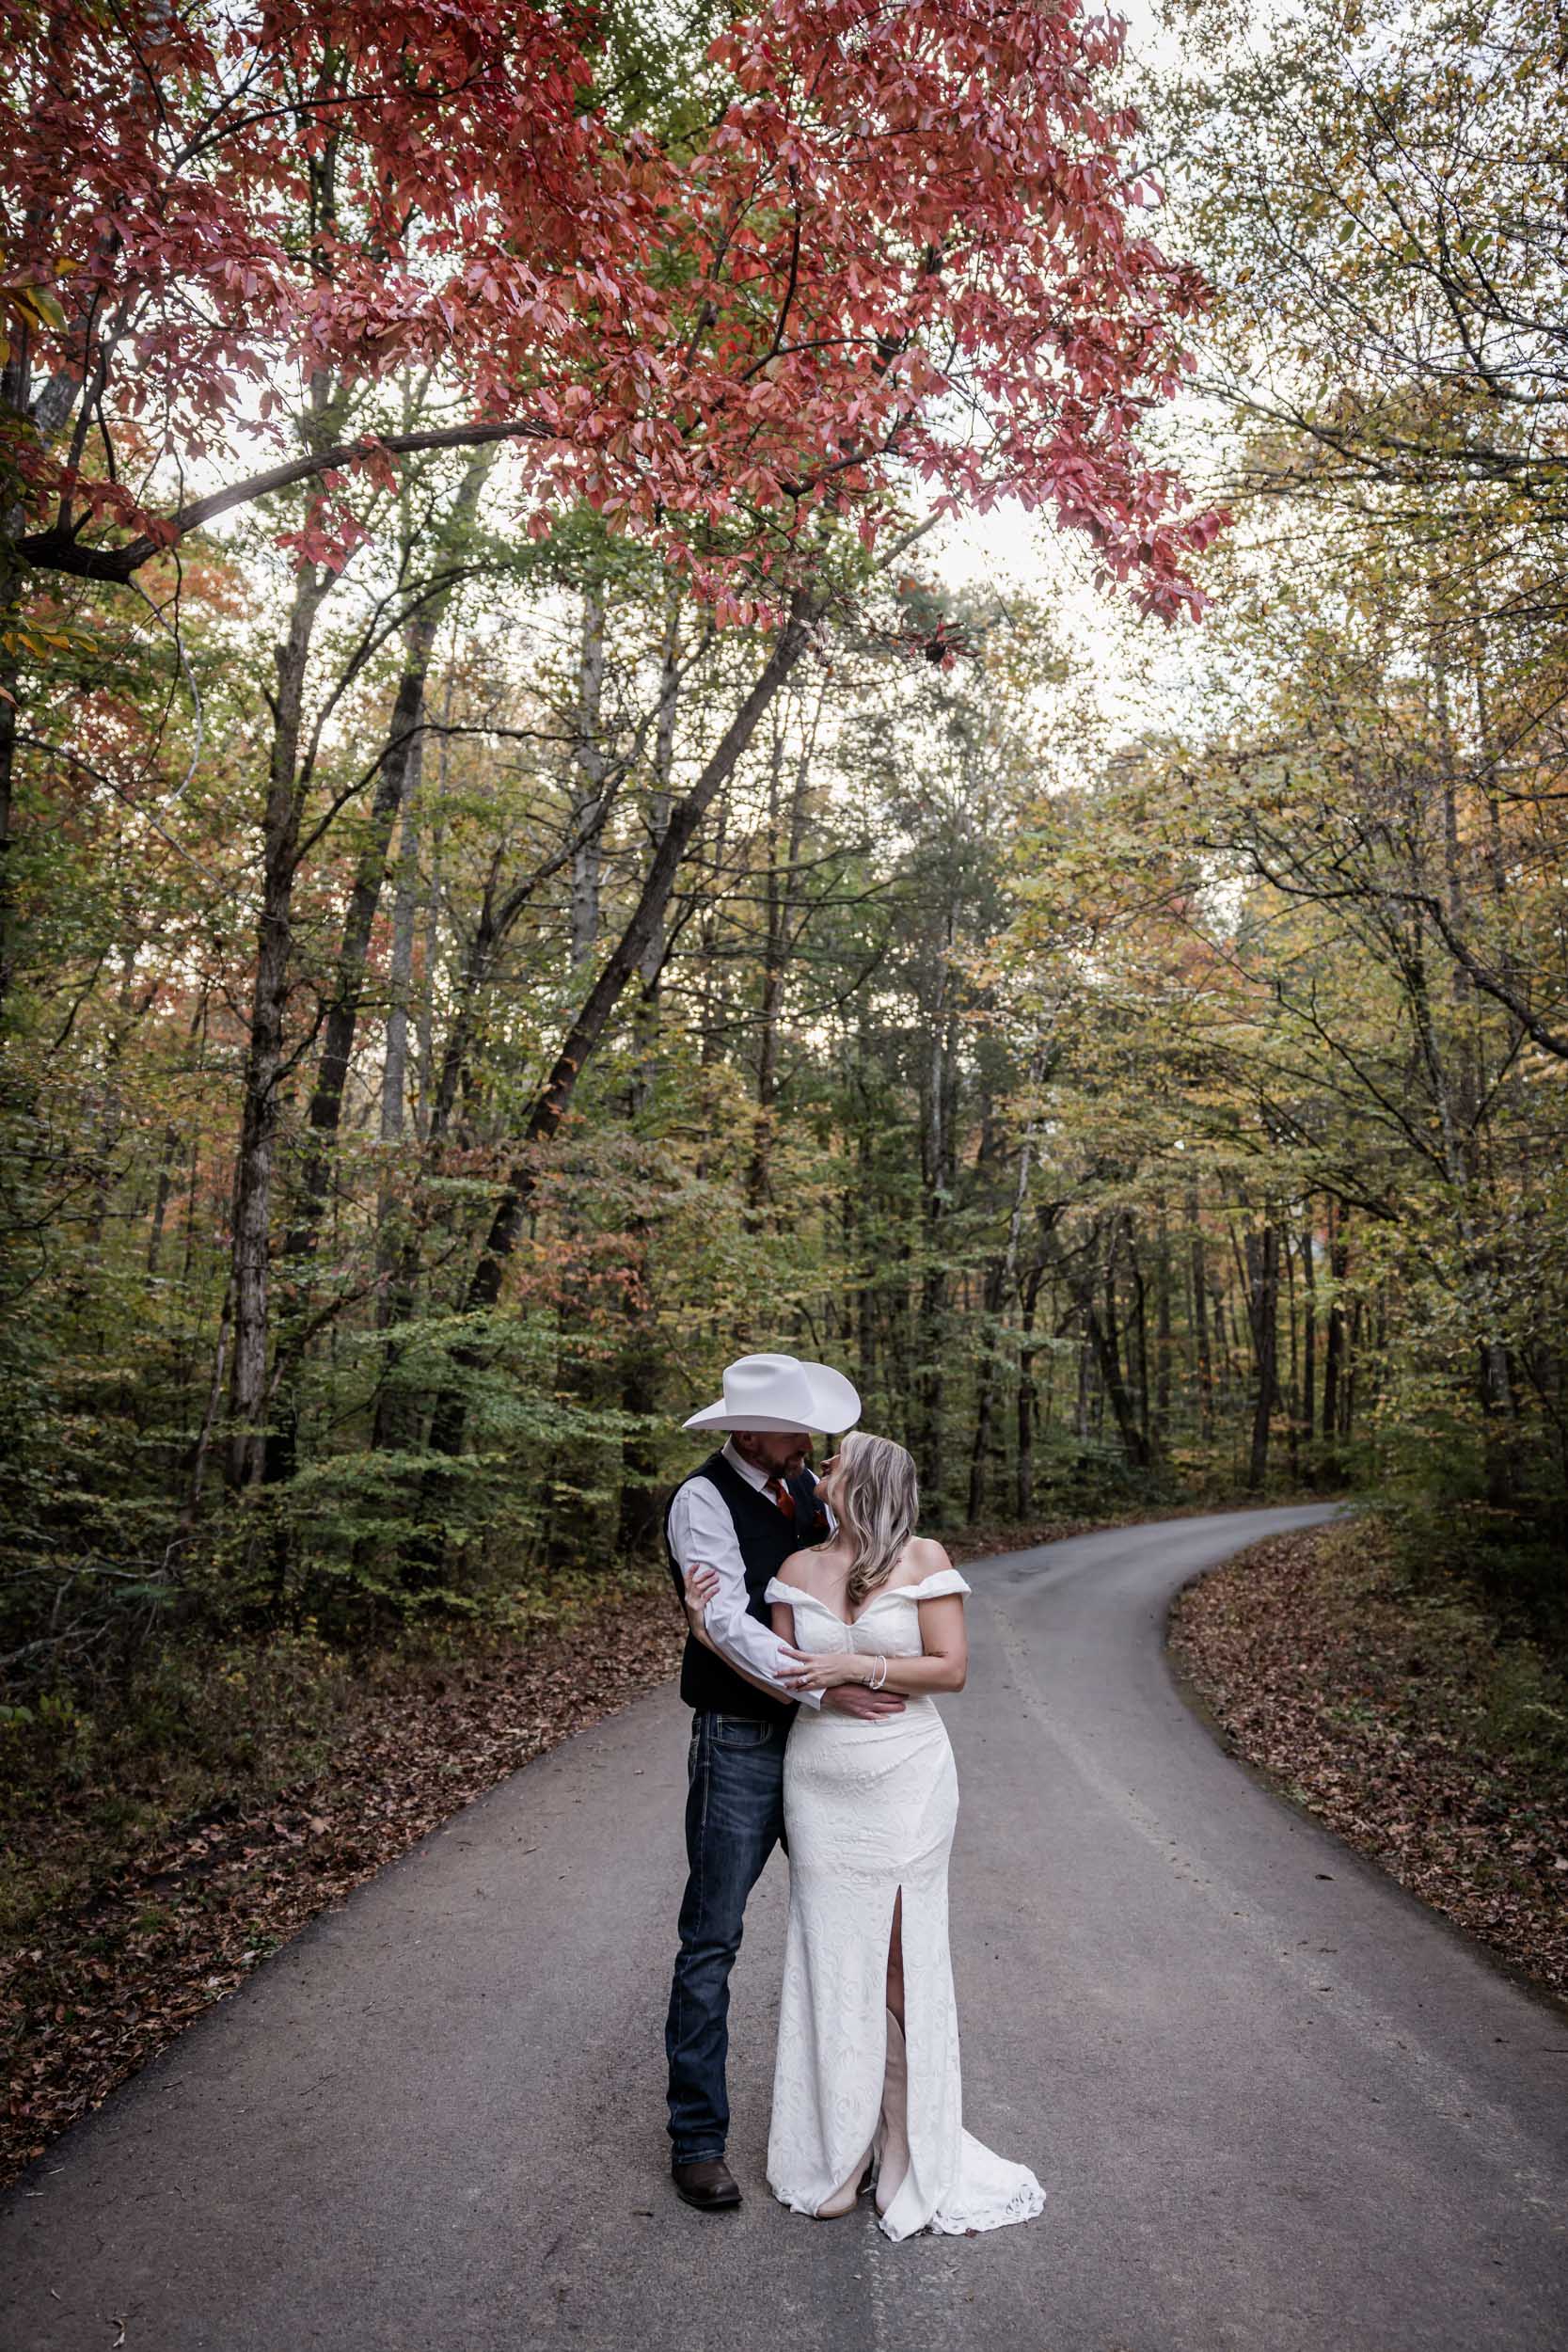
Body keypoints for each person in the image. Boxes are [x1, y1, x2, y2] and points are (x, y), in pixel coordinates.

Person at [689, 1428, 1046, 2243]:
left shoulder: (923, 1559)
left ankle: (901, 2138)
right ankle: (839, 2146)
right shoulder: (793, 1569)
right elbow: (779, 1673)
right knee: (830, 1955)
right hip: (818, 1783)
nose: (820, 1473)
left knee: (894, 1956)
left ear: (869, 1479)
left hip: (908, 1778)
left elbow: (949, 1668)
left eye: (835, 1464)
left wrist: (856, 1668)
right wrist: (712, 1634)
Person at [662, 1352, 906, 2214]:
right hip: (738, 1740)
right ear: (747, 1431)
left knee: (852, 1929)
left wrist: (856, 1671)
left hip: (821, 1742)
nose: (808, 1440)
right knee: (713, 1938)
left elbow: (854, 1577)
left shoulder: (806, 1492)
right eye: (793, 1426)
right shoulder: (701, 1501)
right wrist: (820, 1677)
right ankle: (697, 2142)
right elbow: (722, 1616)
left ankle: (870, 2132)